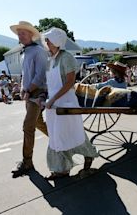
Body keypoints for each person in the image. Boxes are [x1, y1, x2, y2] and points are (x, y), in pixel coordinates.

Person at [41, 27, 99, 180]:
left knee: (73, 132)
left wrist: (53, 99)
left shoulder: (66, 57)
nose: (46, 42)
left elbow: (70, 82)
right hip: (52, 104)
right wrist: (45, 97)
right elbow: (48, 82)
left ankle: (89, 157)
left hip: (66, 101)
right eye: (46, 39)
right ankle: (61, 169)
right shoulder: (49, 59)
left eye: (48, 39)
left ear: (56, 41)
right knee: (56, 136)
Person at [10, 21, 48, 177]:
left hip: (37, 92)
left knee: (28, 127)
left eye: (23, 33)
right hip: (28, 92)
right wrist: (20, 87)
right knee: (38, 123)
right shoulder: (25, 52)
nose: (20, 36)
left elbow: (40, 75)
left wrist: (27, 89)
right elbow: (25, 74)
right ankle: (61, 140)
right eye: (19, 34)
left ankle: (27, 162)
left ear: (31, 35)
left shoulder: (38, 51)